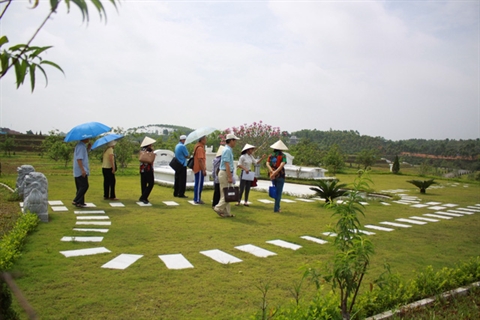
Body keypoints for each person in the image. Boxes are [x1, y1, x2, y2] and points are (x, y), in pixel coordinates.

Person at [214, 133, 240, 217]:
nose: (235, 143)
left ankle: (226, 213)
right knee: (227, 194)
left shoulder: (227, 149)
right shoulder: (227, 150)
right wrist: (229, 177)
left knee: (225, 193)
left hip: (225, 172)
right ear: (231, 141)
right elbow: (226, 164)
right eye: (235, 141)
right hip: (225, 172)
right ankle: (218, 208)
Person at [266, 140, 288, 213]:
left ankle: (277, 207)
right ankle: (276, 208)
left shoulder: (271, 155)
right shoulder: (283, 156)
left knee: (275, 190)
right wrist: (276, 172)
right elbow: (282, 165)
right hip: (280, 175)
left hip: (273, 175)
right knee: (279, 192)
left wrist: (272, 172)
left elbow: (267, 164)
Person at [72, 138, 91, 208]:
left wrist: (88, 149)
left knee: (80, 186)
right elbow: (79, 159)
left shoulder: (81, 146)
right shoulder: (81, 146)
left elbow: (83, 155)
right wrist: (82, 170)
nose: (89, 139)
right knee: (84, 186)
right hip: (80, 170)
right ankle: (76, 200)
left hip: (79, 169)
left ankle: (80, 202)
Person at [139, 136, 156, 204]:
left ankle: (144, 196)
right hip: (148, 169)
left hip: (142, 169)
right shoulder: (149, 150)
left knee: (143, 183)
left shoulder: (142, 150)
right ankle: (143, 197)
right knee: (151, 183)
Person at [193, 136, 207, 204]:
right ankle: (197, 199)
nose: (206, 141)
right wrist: (203, 169)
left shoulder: (196, 146)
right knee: (198, 185)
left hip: (197, 168)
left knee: (197, 184)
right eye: (205, 139)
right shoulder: (200, 148)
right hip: (199, 169)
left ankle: (197, 198)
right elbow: (200, 160)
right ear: (202, 140)